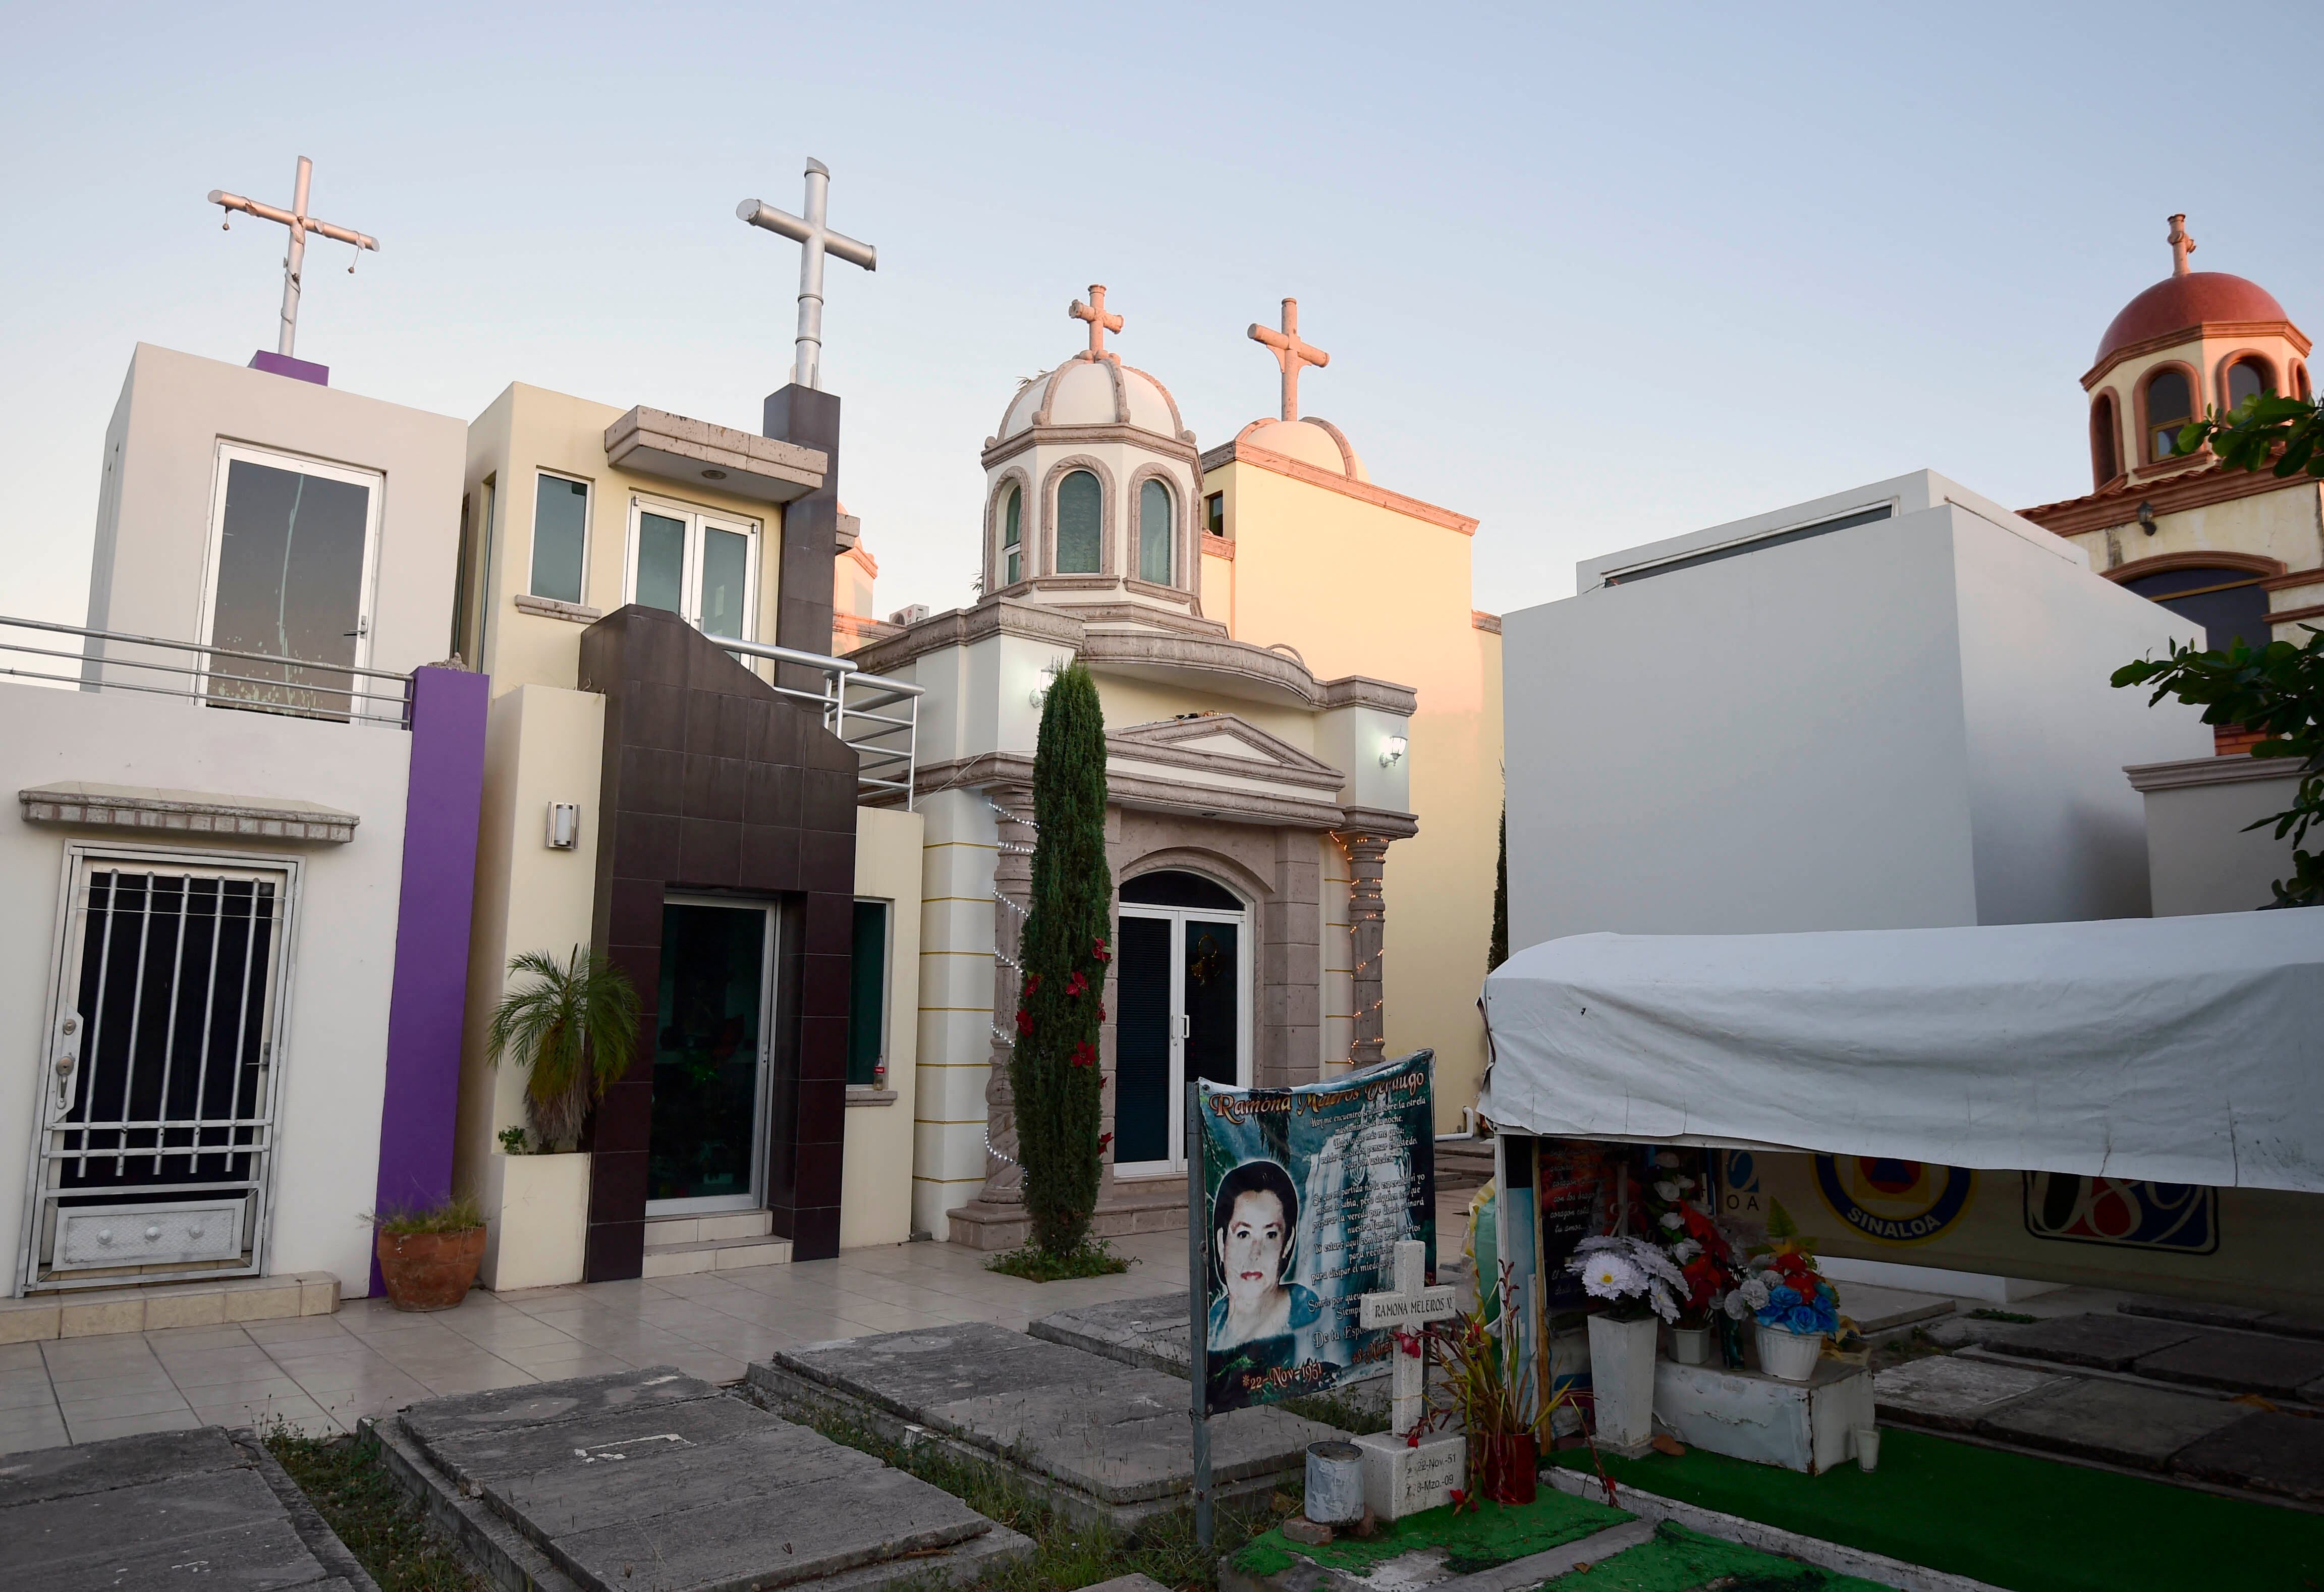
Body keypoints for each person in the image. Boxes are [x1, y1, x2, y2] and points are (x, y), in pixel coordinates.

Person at [1205, 1159, 1322, 1407]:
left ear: (1287, 1244)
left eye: (1270, 1235)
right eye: (1243, 1234)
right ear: (1220, 1242)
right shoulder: (1213, 1323)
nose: (1255, 1253)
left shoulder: (1313, 1319)